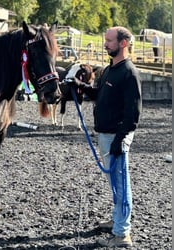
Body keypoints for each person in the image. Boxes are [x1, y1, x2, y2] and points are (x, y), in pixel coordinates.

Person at [72, 26, 142, 247]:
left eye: (110, 41)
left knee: (121, 184)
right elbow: (99, 95)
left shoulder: (129, 73)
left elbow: (133, 113)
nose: (105, 44)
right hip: (105, 135)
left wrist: (121, 140)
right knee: (114, 182)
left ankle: (122, 234)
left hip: (116, 137)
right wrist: (80, 86)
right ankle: (117, 221)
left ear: (123, 43)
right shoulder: (108, 70)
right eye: (105, 40)